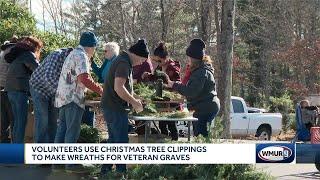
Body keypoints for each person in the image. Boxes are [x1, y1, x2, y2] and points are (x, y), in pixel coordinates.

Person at [54, 31, 103, 173]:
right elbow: (84, 78)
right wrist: (101, 90)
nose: (94, 51)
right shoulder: (82, 55)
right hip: (73, 98)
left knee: (61, 130)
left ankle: (57, 163)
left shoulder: (72, 53)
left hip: (63, 97)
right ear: (91, 46)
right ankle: (70, 163)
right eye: (94, 48)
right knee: (72, 131)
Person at [100, 39, 147, 176]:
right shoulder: (123, 63)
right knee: (120, 141)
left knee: (114, 140)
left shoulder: (124, 60)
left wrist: (135, 96)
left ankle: (106, 171)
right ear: (137, 54)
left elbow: (124, 87)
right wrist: (134, 102)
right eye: (142, 59)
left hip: (112, 106)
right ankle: (121, 172)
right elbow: (118, 88)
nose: (142, 63)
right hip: (115, 108)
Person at [165, 39, 220, 137]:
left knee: (201, 137)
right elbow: (190, 87)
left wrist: (174, 85)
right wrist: (176, 84)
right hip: (204, 107)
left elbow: (191, 91)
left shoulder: (201, 72)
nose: (188, 60)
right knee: (201, 136)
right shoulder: (200, 71)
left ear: (194, 58)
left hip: (204, 108)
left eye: (189, 58)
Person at [29, 48, 73, 143]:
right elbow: (48, 77)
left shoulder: (72, 62)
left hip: (53, 92)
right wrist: (64, 94)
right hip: (39, 88)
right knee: (42, 119)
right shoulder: (56, 55)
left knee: (53, 121)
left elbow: (69, 81)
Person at [4, 36, 42, 143]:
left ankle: (14, 148)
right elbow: (38, 70)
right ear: (34, 46)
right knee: (21, 121)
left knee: (16, 121)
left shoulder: (17, 54)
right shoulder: (28, 54)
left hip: (10, 90)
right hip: (19, 90)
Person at [142, 42, 181, 140]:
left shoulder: (173, 68)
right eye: (155, 60)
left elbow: (177, 83)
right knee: (162, 124)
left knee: (171, 124)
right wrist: (148, 76)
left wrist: (166, 86)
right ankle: (164, 141)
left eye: (159, 60)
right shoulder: (159, 67)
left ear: (166, 58)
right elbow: (155, 77)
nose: (157, 62)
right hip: (161, 101)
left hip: (171, 102)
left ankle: (174, 142)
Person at [0, 37, 17, 143]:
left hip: (0, 86)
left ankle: (3, 141)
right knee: (13, 117)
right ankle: (14, 143)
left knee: (3, 117)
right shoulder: (14, 51)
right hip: (9, 87)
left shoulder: (2, 51)